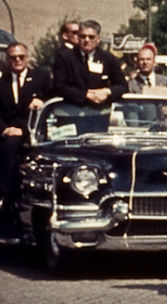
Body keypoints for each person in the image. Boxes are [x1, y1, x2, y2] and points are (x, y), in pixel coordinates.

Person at [1, 42, 52, 236]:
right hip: (8, 136)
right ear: (8, 60)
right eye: (13, 57)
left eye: (21, 57)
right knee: (8, 150)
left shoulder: (41, 77)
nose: (18, 61)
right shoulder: (2, 81)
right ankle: (8, 202)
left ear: (27, 57)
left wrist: (41, 99)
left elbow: (53, 94)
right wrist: (5, 130)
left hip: (32, 131)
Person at [52, 20, 126, 107]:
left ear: (98, 39)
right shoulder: (65, 57)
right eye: (83, 36)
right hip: (71, 111)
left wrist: (107, 92)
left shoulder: (107, 58)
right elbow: (59, 86)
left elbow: (122, 85)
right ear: (78, 38)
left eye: (91, 37)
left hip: (100, 113)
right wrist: (86, 95)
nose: (86, 40)